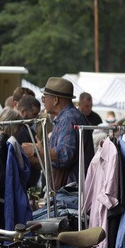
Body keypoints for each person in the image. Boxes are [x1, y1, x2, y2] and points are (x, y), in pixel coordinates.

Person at [27, 77, 90, 209]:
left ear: (55, 100)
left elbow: (64, 155)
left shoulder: (68, 119)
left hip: (70, 195)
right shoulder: (67, 117)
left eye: (45, 97)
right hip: (69, 194)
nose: (43, 101)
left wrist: (37, 150)